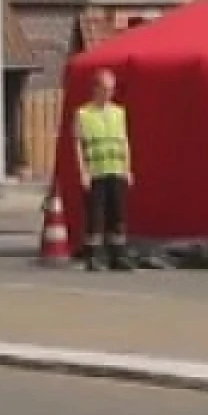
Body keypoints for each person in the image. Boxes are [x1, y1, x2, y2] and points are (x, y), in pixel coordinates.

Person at [75, 68, 136, 272]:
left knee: (117, 214)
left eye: (112, 89)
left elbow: (124, 140)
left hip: (116, 169)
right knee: (96, 215)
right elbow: (78, 144)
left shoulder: (119, 112)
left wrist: (128, 168)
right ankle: (94, 255)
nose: (109, 93)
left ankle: (118, 254)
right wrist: (82, 171)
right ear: (96, 89)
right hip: (96, 171)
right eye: (105, 89)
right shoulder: (83, 113)